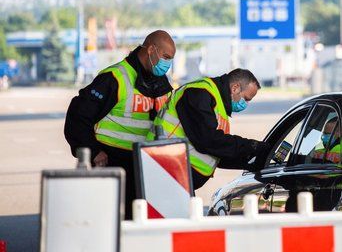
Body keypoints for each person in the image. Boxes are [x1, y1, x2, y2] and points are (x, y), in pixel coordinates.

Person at [64, 30, 176, 219]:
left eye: (171, 58)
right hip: (112, 164)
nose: (168, 63)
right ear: (151, 50)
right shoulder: (114, 78)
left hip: (146, 167)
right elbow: (78, 116)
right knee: (112, 222)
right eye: (165, 57)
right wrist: (92, 150)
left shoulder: (162, 84)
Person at [148, 68, 270, 190]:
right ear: (235, 88)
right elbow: (208, 140)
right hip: (166, 170)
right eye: (246, 99)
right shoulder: (199, 93)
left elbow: (218, 152)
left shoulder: (217, 104)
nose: (245, 104)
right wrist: (252, 146)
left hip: (177, 175)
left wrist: (248, 162)